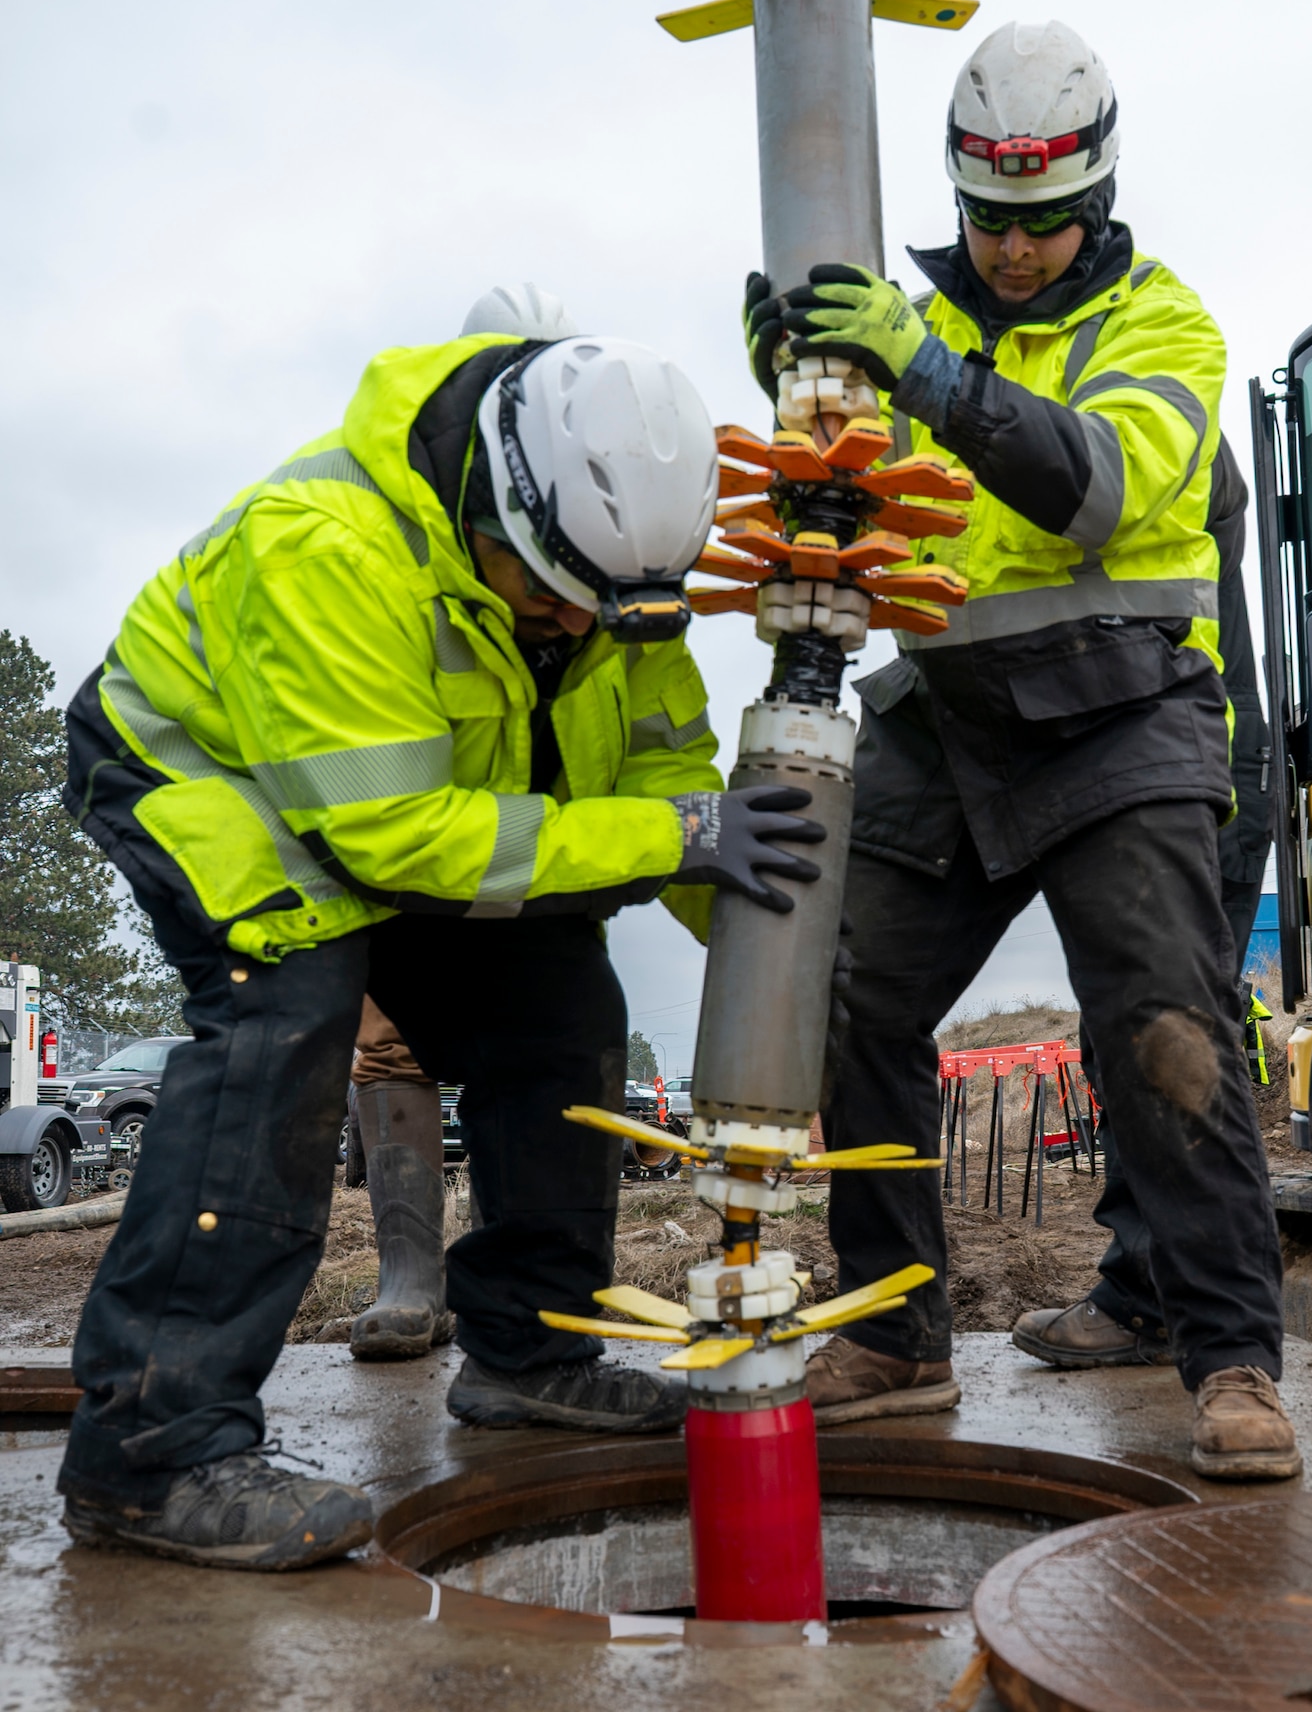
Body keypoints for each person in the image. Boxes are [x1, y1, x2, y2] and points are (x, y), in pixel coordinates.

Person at [57, 322, 827, 1570]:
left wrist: (777, 971)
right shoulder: (325, 551)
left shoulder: (618, 563)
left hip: (430, 808)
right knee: (285, 1013)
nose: (575, 627)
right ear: (493, 508)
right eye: (550, 598)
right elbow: (394, 838)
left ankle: (530, 1354)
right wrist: (672, 833)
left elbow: (673, 780)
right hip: (219, 774)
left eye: (604, 611)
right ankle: (152, 1450)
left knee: (561, 1005)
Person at [743, 18, 1300, 1481]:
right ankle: (896, 1326)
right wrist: (801, 387)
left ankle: (1234, 1357)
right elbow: (844, 497)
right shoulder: (901, 308)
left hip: (1125, 715)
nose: (1012, 250)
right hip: (946, 717)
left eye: (1044, 224)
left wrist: (921, 367)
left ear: (1096, 200)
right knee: (848, 998)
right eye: (988, 219)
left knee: (1167, 1028)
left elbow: (1096, 490)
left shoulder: (1161, 325)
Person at [346, 283, 582, 1363]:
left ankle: (519, 1299)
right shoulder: (405, 524)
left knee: (550, 1028)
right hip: (414, 838)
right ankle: (411, 1273)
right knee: (386, 1044)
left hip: (531, 849)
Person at [1013, 430, 1276, 1370]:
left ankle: (1157, 1305)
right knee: (1128, 1032)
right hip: (1171, 765)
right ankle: (1150, 1292)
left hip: (1202, 773)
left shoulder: (1172, 449)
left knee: (1164, 1039)